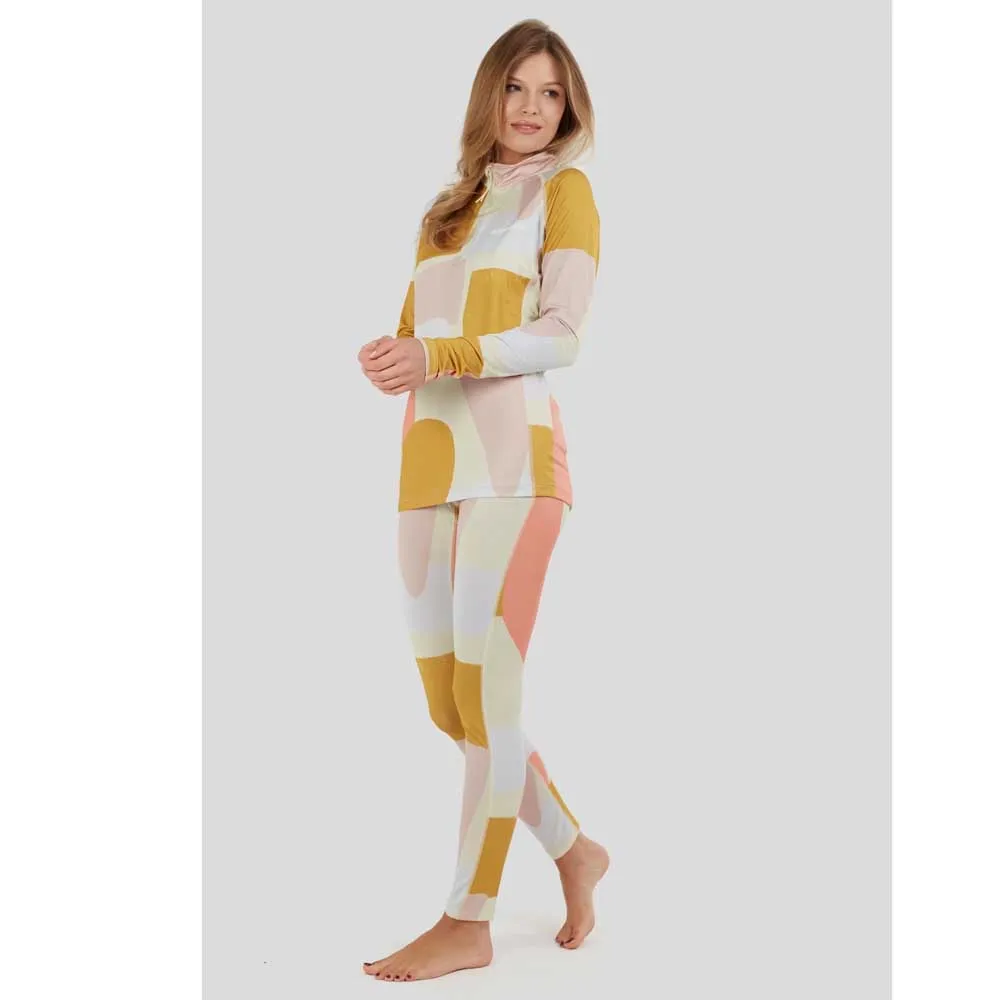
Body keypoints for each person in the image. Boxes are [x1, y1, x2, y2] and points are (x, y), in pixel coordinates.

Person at [356, 18, 609, 983]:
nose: (533, 108)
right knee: (450, 706)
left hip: (515, 466)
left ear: (568, 107)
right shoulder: (446, 209)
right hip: (429, 464)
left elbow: (561, 334)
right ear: (488, 96)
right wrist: (393, 355)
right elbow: (419, 330)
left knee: (490, 698)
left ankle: (469, 920)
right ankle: (575, 849)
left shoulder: (565, 192)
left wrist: (440, 353)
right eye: (516, 87)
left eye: (551, 92)